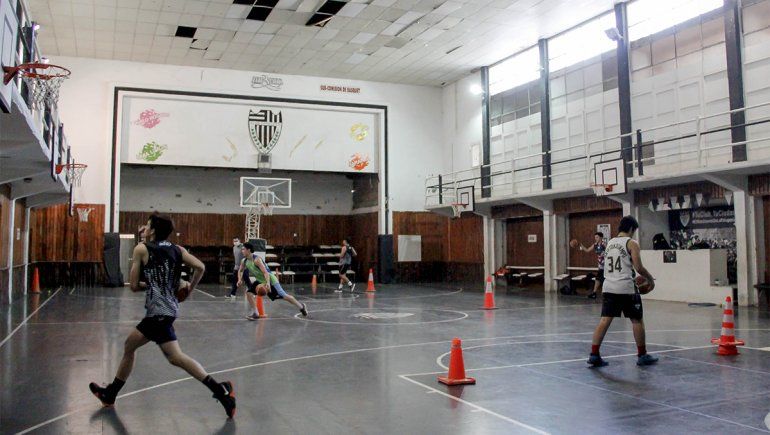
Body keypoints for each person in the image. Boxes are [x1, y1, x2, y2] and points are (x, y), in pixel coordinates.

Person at [89, 214, 236, 417]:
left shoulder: (141, 249)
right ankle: (110, 394)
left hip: (158, 312)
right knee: (140, 348)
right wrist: (189, 289)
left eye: (147, 225)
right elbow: (200, 267)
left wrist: (151, 285)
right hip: (169, 310)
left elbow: (133, 286)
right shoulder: (178, 249)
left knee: (169, 356)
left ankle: (221, 391)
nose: (144, 228)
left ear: (153, 230)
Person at [588, 216, 657, 368]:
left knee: (604, 320)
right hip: (626, 287)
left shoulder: (609, 243)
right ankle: (642, 355)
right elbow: (638, 267)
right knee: (637, 320)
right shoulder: (631, 243)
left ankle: (594, 354)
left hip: (608, 286)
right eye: (634, 231)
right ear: (631, 228)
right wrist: (650, 280)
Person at [238, 242, 308, 320]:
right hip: (260, 280)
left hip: (271, 280)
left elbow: (265, 272)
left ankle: (301, 307)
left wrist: (268, 283)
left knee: (284, 296)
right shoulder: (244, 261)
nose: (242, 251)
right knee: (249, 293)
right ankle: (255, 313)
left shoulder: (257, 260)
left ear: (248, 250)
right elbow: (240, 270)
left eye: (243, 249)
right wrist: (239, 279)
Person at [578, 232, 606, 299]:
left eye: (597, 237)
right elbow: (587, 250)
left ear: (601, 237)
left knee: (599, 279)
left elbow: (610, 251)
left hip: (606, 265)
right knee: (599, 279)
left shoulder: (604, 244)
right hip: (600, 265)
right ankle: (595, 293)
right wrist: (581, 245)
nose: (595, 238)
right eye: (595, 237)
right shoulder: (595, 245)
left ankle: (595, 293)